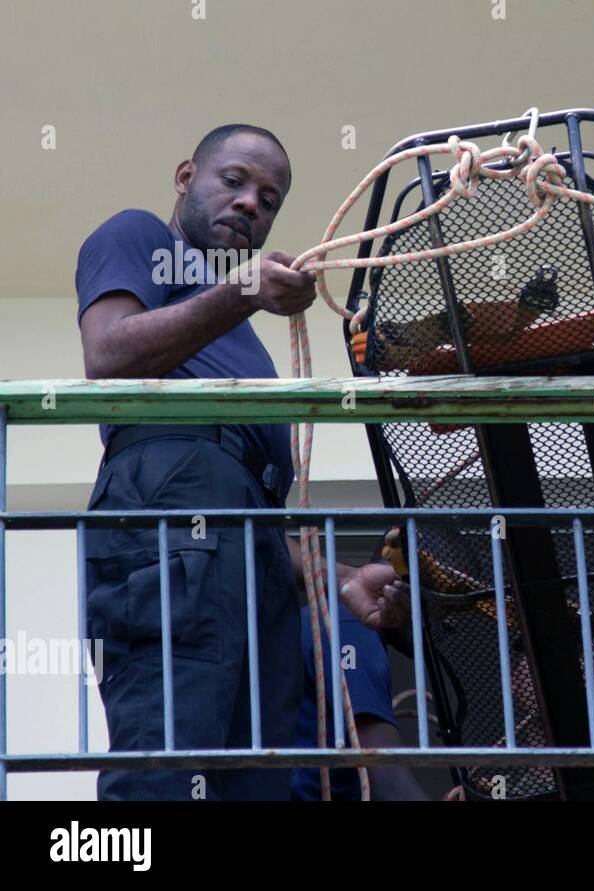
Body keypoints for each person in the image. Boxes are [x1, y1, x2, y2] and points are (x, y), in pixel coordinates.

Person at [76, 124, 408, 801]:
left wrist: (336, 575)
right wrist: (242, 294)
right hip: (172, 518)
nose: (251, 203)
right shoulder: (139, 236)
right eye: (234, 181)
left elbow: (247, 521)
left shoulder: (238, 335)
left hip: (247, 554)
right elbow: (107, 357)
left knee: (257, 779)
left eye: (269, 198)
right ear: (184, 178)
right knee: (171, 754)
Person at [292, 602, 429, 801]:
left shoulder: (322, 620)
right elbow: (391, 787)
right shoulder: (348, 628)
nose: (450, 625)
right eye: (443, 609)